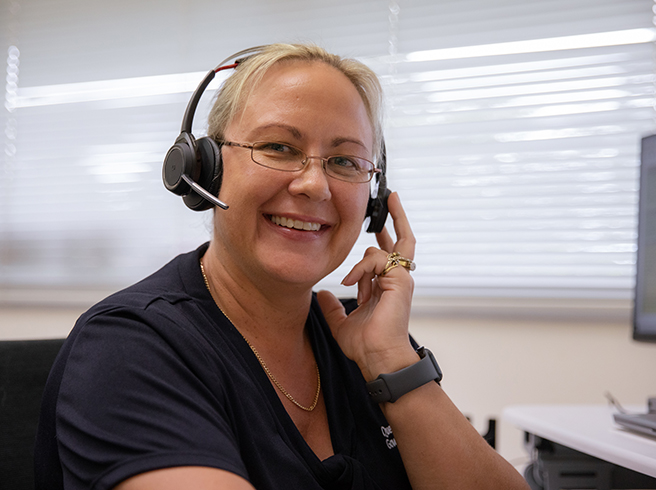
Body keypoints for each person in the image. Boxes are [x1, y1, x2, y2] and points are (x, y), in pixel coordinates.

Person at [35, 43, 529, 490]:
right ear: (204, 170)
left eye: (345, 162)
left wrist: (394, 363)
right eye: (278, 148)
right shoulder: (129, 347)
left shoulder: (364, 337)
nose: (315, 185)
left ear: (373, 200)